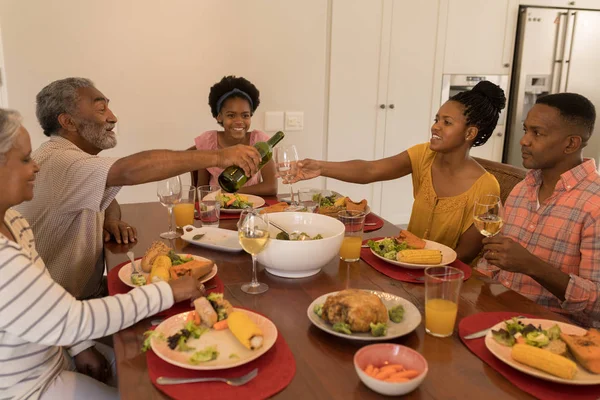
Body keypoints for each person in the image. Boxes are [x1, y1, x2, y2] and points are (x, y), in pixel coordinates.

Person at [0, 108, 205, 399]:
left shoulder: (14, 222)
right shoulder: (3, 257)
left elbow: (51, 305)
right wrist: (168, 292)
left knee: (153, 367)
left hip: (54, 355)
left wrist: (80, 346)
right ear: (66, 120)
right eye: (24, 160)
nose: (35, 167)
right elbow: (72, 320)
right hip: (30, 387)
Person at [16, 77, 261, 302]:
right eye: (101, 109)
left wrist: (110, 220)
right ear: (67, 121)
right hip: (61, 310)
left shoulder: (72, 160)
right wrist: (218, 157)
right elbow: (129, 170)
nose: (113, 117)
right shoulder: (63, 162)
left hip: (83, 295)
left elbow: (107, 196)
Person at [288, 81, 504, 263]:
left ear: (470, 133)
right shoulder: (424, 155)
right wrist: (320, 167)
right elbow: (370, 170)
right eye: (436, 119)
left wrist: (418, 263)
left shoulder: (486, 186)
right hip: (402, 263)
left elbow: (466, 254)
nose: (435, 127)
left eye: (446, 122)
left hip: (446, 278)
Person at [481, 93, 600, 328]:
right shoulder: (522, 188)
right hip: (498, 313)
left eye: (537, 133)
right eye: (526, 130)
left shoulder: (594, 205)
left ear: (571, 143)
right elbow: (492, 264)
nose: (524, 141)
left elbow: (597, 307)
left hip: (552, 333)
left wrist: (533, 266)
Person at [191, 75, 277, 195]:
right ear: (219, 116)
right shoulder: (208, 142)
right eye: (231, 115)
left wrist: (231, 192)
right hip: (217, 209)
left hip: (250, 209)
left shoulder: (259, 142)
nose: (239, 121)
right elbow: (202, 189)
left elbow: (271, 187)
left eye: (245, 115)